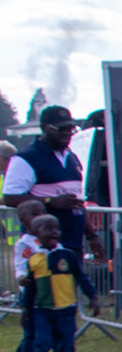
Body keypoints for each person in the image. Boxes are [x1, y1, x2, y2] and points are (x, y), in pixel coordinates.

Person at [4, 106, 102, 261]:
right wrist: (51, 201)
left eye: (70, 128)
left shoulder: (71, 157)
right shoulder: (26, 158)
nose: (67, 133)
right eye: (61, 129)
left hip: (73, 243)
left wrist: (91, 236)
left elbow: (78, 203)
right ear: (44, 128)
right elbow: (10, 198)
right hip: (42, 247)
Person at [20, 214, 99, 352]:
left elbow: (81, 277)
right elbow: (30, 288)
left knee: (66, 345)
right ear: (36, 233)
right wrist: (26, 308)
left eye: (56, 228)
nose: (54, 232)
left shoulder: (67, 255)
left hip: (66, 309)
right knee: (41, 343)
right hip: (43, 310)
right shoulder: (34, 259)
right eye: (48, 228)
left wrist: (92, 297)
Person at [9, 197, 47, 352]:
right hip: (32, 294)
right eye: (35, 214)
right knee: (32, 332)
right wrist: (22, 279)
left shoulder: (50, 237)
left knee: (45, 330)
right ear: (23, 220)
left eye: (43, 212)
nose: (41, 216)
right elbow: (20, 266)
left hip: (49, 293)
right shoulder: (25, 243)